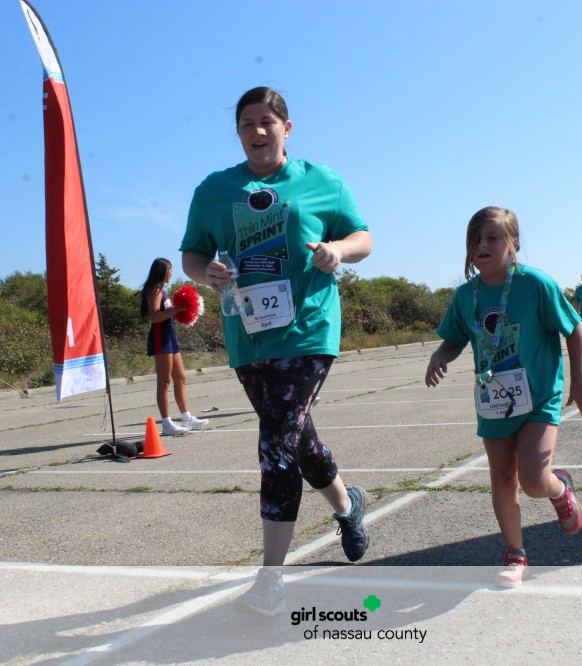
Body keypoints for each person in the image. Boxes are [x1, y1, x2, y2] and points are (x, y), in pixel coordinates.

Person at [180, 86, 373, 616]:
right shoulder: (215, 190)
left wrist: (337, 250)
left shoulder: (322, 181)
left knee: (275, 445)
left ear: (287, 128)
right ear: (238, 133)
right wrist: (205, 271)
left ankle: (270, 580)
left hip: (308, 329)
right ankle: (347, 504)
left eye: (267, 121)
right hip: (248, 335)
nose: (257, 131)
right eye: (247, 124)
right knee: (297, 438)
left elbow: (363, 237)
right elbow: (192, 254)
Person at [425, 207, 582, 589]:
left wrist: (580, 380)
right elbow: (454, 337)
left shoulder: (535, 284)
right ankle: (515, 554)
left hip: (539, 397)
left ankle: (559, 488)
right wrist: (441, 355)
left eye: (492, 237)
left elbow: (575, 329)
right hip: (494, 401)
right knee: (503, 479)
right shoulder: (466, 295)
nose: (482, 246)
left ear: (513, 243)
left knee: (533, 480)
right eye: (475, 239)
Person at [140, 258, 209, 436]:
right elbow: (155, 316)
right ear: (164, 271)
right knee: (164, 381)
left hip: (170, 336)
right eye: (170, 270)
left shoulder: (162, 290)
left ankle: (186, 417)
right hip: (160, 337)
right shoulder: (155, 290)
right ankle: (167, 424)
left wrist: (181, 311)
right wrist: (177, 309)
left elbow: (166, 313)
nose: (172, 273)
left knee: (180, 377)